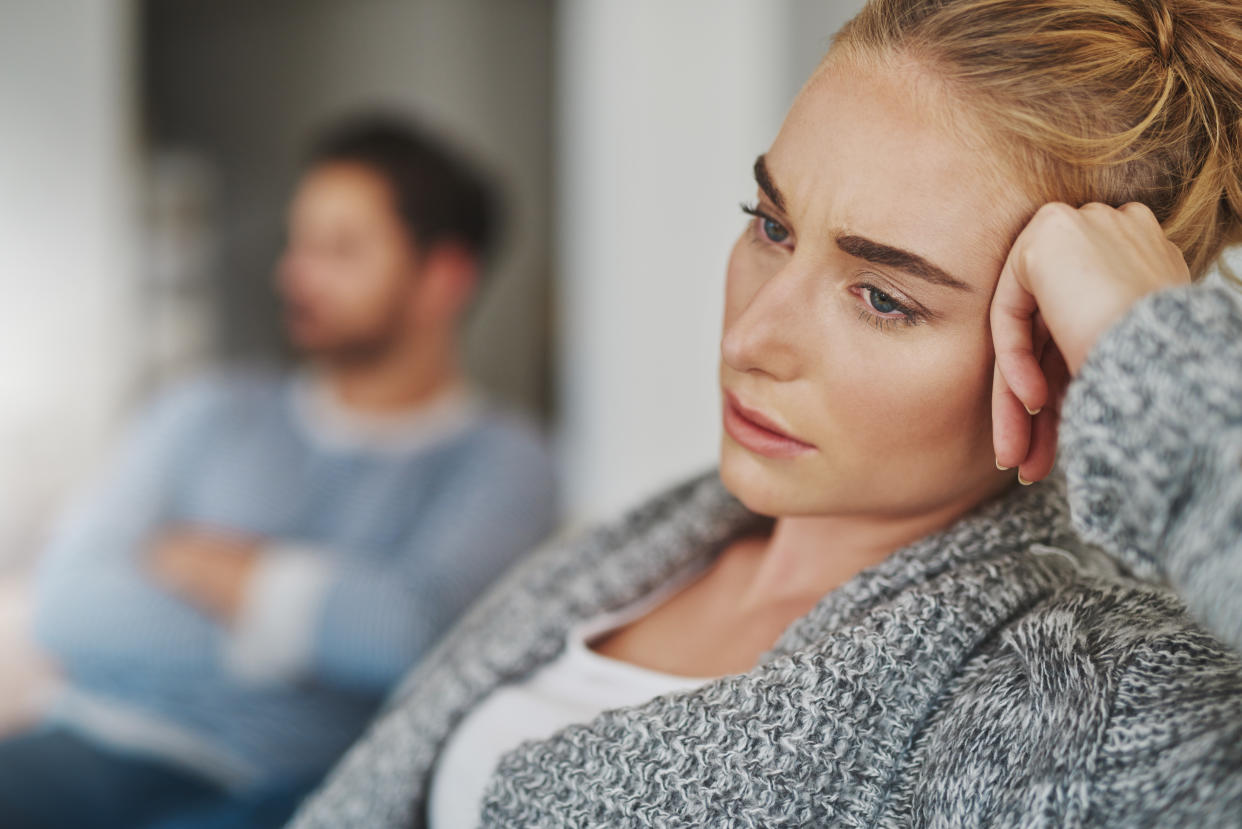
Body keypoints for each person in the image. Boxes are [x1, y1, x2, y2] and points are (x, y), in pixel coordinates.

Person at [290, 1, 1242, 827]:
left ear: (1064, 357)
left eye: (883, 297)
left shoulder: (1075, 696)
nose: (752, 334)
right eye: (771, 225)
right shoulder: (657, 543)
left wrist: (1150, 345)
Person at [0, 115, 559, 828]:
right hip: (83, 745)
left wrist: (214, 568)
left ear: (442, 278)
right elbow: (66, 602)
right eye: (300, 243)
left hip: (279, 784)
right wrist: (309, 636)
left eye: (341, 249)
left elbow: (414, 641)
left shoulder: (505, 461)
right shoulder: (204, 411)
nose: (294, 273)